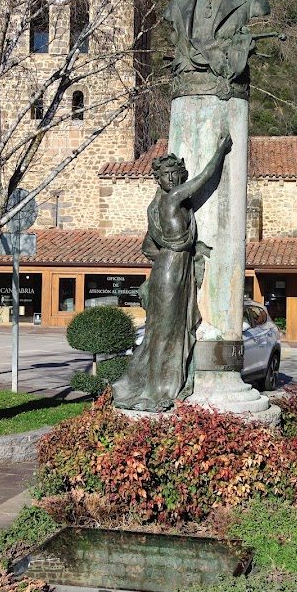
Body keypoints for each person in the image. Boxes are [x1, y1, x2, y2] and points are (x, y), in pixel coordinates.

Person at [112, 132, 232, 412]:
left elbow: (147, 248)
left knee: (164, 331)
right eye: (167, 175)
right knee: (164, 332)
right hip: (170, 272)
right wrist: (220, 151)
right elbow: (203, 179)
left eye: (176, 174)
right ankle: (156, 389)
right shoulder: (169, 200)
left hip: (170, 267)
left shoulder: (157, 206)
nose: (173, 180)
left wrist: (176, 252)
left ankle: (153, 383)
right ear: (159, 179)